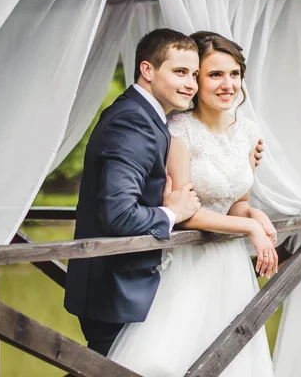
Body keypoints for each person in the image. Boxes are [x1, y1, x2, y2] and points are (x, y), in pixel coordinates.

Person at [107, 31, 277, 376]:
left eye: (234, 74)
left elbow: (237, 203)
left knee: (235, 360)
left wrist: (255, 213)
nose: (228, 84)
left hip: (231, 267)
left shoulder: (247, 132)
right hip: (189, 265)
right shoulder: (178, 130)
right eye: (215, 75)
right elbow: (185, 214)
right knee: (171, 360)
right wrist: (250, 228)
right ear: (197, 81)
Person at [64, 29, 203, 356]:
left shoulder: (148, 117)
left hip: (125, 286)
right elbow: (120, 214)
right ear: (147, 70)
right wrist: (173, 212)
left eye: (195, 74)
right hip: (115, 290)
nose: (191, 84)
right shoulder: (132, 120)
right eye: (180, 72)